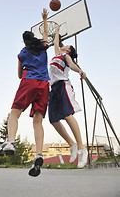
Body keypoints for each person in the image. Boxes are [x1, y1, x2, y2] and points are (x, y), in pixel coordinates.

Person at [0, 8, 50, 177]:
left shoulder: (22, 53)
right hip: (44, 85)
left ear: (23, 42)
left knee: (14, 114)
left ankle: (11, 142)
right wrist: (45, 19)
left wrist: (23, 65)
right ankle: (39, 153)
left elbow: (19, 75)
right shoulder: (43, 47)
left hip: (29, 82)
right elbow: (46, 34)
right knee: (38, 121)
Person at [48, 25, 88, 168]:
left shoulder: (66, 56)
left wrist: (80, 71)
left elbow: (71, 65)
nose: (63, 46)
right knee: (53, 119)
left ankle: (82, 149)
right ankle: (72, 145)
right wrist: (57, 31)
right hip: (53, 88)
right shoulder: (57, 53)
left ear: (69, 49)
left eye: (67, 45)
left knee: (67, 115)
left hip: (63, 85)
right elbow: (56, 44)